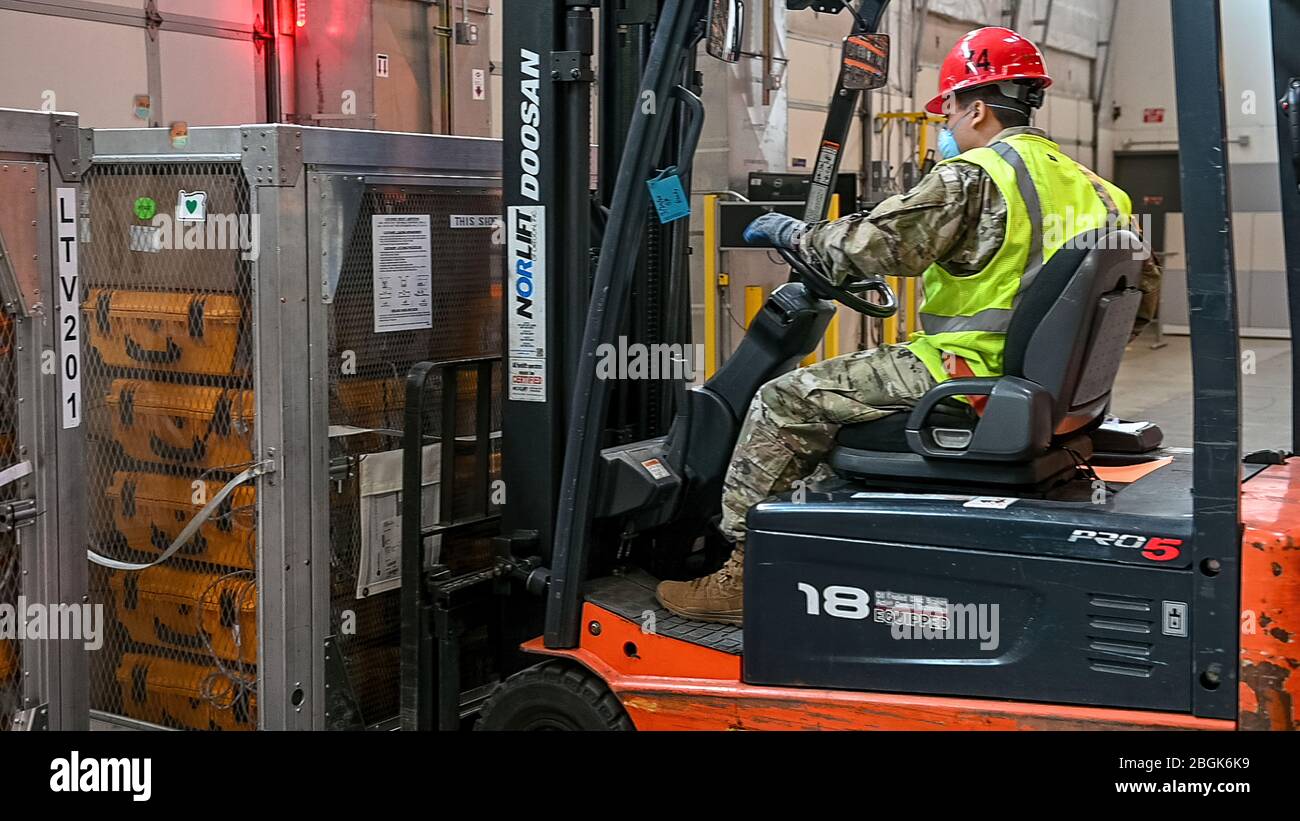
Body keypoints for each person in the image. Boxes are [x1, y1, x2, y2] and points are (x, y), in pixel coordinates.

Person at [655, 26, 1162, 625]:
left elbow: (872, 246)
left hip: (964, 371)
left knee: (781, 402)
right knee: (829, 422)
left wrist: (793, 233)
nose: (946, 125)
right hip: (1047, 389)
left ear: (974, 106)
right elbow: (1140, 308)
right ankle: (810, 547)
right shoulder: (1103, 192)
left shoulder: (974, 175)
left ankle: (741, 574)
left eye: (948, 109)